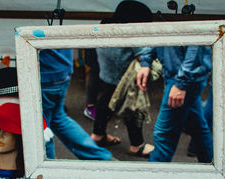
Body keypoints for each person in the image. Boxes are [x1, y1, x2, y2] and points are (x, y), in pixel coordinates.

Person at [90, 0, 154, 158]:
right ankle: (136, 144)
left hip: (106, 73)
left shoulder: (105, 25)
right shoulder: (131, 31)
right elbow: (142, 56)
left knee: (105, 102)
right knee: (132, 109)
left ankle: (98, 135)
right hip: (124, 78)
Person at [137, 45, 213, 163]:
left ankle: (153, 178)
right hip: (181, 74)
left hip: (183, 77)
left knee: (164, 135)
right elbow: (161, 30)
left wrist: (181, 83)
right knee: (198, 128)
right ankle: (213, 172)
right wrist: (146, 61)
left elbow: (195, 45)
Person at [39, 49, 112, 160]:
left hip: (45, 73)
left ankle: (46, 169)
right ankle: (100, 158)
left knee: (42, 129)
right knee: (57, 118)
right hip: (61, 68)